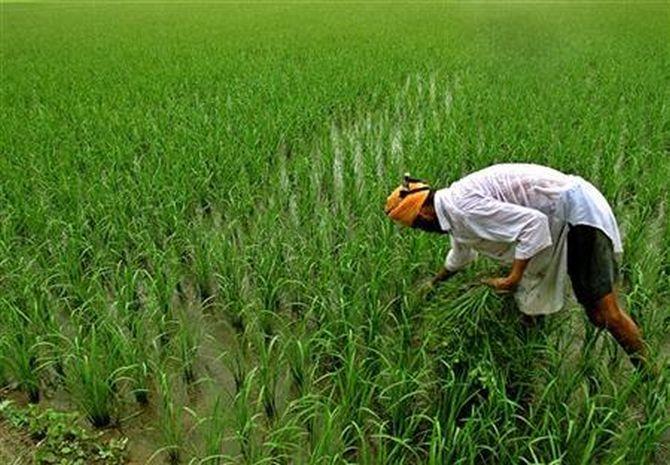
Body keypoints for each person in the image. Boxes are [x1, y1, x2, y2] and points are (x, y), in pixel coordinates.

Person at [384, 163, 649, 371]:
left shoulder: (462, 209)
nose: (423, 230)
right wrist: (435, 282)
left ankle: (649, 375)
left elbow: (532, 225)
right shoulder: (452, 210)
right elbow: (460, 255)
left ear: (424, 214)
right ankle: (529, 346)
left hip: (578, 212)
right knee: (535, 294)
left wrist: (512, 278)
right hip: (562, 214)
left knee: (604, 314)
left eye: (417, 225)